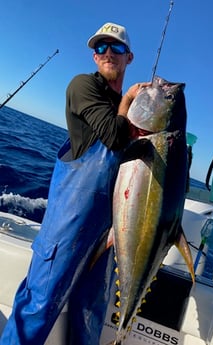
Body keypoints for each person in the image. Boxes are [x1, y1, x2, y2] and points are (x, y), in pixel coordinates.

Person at [0, 22, 150, 345]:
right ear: (94, 57)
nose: (108, 53)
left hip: (106, 239)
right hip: (66, 230)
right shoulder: (83, 87)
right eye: (101, 47)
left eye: (117, 48)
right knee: (37, 308)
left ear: (129, 57)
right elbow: (112, 134)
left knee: (89, 318)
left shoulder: (131, 115)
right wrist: (128, 103)